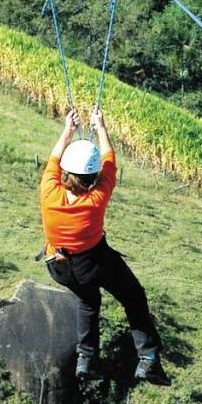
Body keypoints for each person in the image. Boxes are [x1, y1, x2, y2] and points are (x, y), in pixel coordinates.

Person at [39, 106, 170, 386]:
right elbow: (110, 160)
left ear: (65, 172)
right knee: (133, 296)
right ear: (93, 176)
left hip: (58, 266)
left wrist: (68, 130)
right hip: (93, 262)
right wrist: (100, 126)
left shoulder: (48, 190)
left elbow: (54, 157)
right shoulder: (96, 198)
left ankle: (86, 359)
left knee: (88, 300)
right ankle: (148, 359)